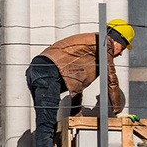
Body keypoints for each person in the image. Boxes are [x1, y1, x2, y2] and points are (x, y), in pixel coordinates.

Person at [26, 19, 134, 147]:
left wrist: (75, 115)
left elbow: (76, 82)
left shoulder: (93, 46)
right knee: (47, 125)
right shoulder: (105, 43)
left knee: (46, 122)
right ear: (116, 39)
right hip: (48, 70)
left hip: (39, 70)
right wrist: (118, 111)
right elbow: (111, 78)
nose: (121, 53)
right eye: (122, 47)